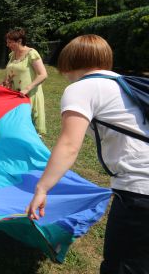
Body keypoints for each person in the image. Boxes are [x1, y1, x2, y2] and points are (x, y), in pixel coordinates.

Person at [26, 35, 149, 273]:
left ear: (68, 63)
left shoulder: (81, 88)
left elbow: (69, 144)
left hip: (140, 192)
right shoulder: (126, 84)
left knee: (123, 265)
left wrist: (42, 188)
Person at [3, 28, 48, 134]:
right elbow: (10, 74)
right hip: (15, 95)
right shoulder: (12, 55)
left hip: (29, 95)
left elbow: (43, 75)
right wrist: (4, 83)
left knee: (30, 129)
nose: (7, 45)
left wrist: (27, 89)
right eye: (7, 42)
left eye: (10, 42)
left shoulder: (32, 53)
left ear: (19, 41)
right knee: (17, 127)